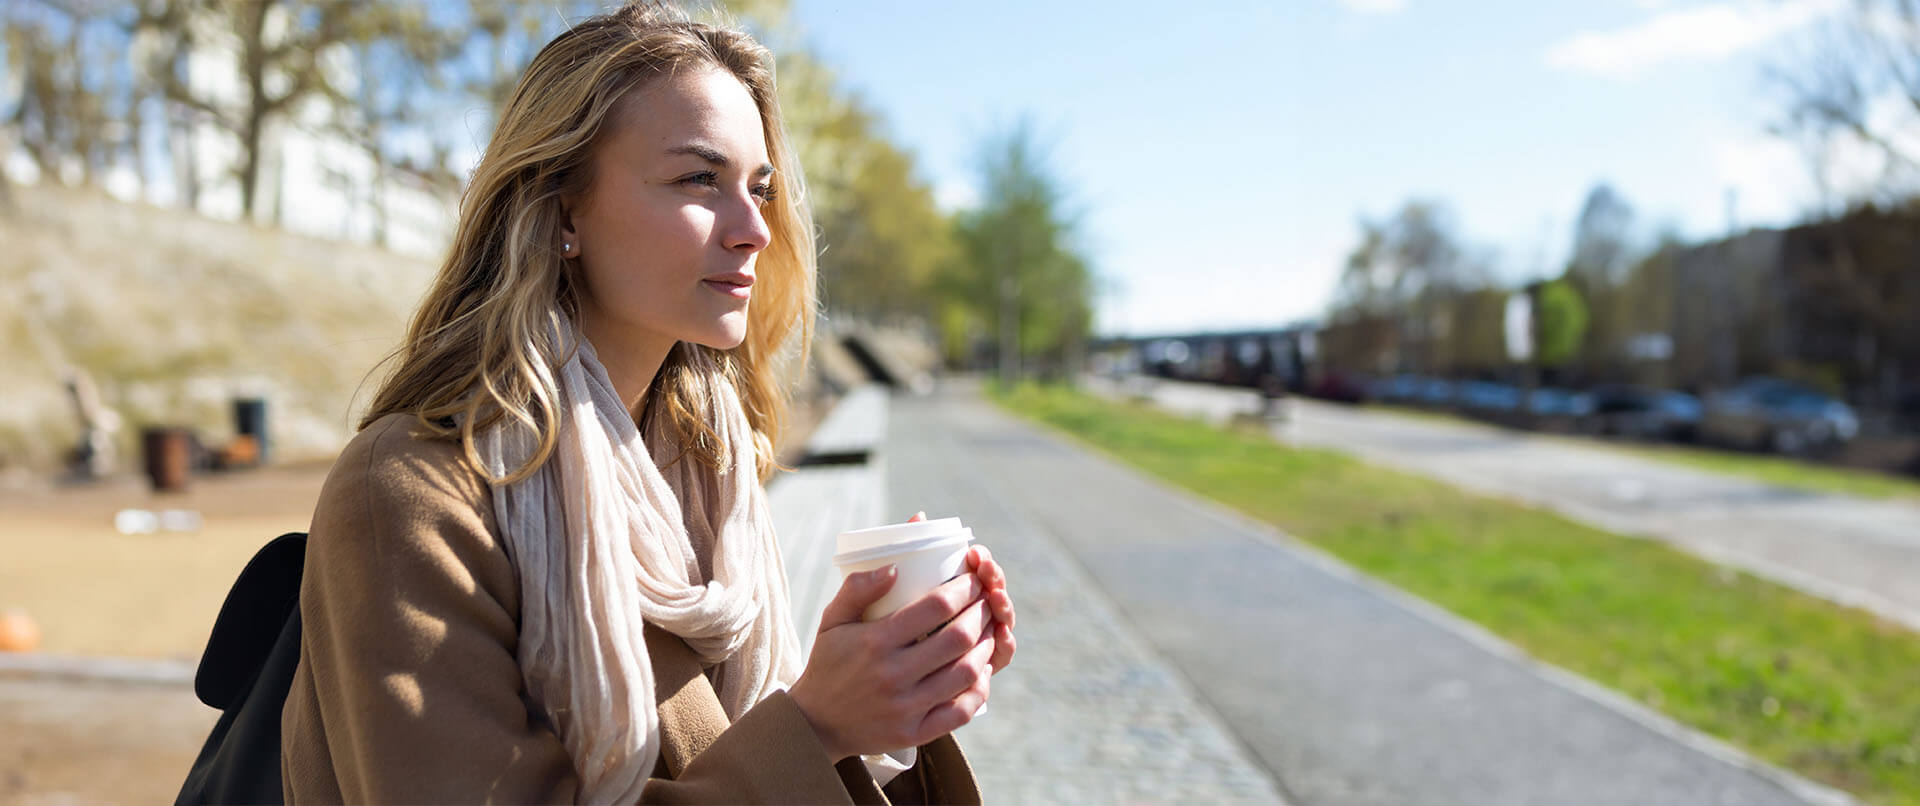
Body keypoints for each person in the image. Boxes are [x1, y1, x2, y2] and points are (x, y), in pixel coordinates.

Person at [279, 3, 1016, 802]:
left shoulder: (704, 477)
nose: (753, 230)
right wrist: (816, 725)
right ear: (563, 208)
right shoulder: (410, 497)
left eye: (758, 189)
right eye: (699, 178)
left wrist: (893, 711)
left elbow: (723, 759)